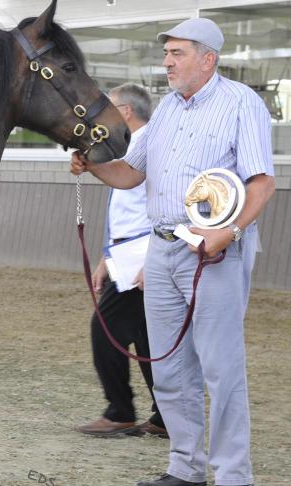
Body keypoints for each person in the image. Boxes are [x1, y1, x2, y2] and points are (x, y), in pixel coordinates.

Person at [70, 18, 274, 486]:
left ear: (208, 59)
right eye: (167, 54)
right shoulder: (165, 111)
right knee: (167, 367)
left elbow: (262, 182)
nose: (166, 62)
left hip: (214, 252)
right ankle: (184, 469)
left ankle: (232, 476)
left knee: (221, 369)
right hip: (160, 251)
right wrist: (92, 165)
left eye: (177, 53)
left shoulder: (242, 105)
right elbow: (130, 175)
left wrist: (232, 232)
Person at [76, 83, 166, 439]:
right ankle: (164, 416)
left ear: (126, 112)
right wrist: (105, 259)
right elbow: (125, 213)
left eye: (109, 108)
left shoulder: (147, 145)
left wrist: (150, 261)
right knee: (147, 339)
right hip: (126, 256)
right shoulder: (137, 146)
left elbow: (151, 213)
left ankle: (120, 410)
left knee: (106, 330)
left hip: (141, 256)